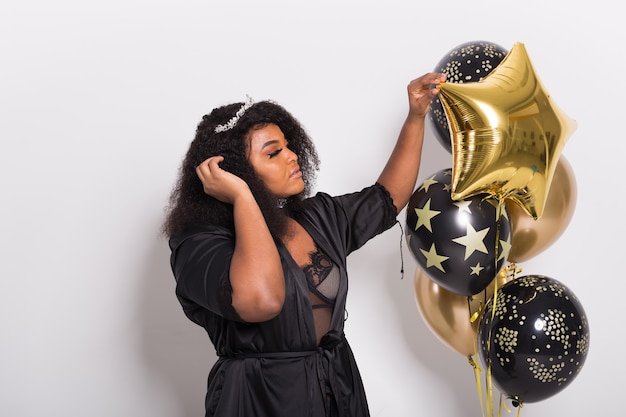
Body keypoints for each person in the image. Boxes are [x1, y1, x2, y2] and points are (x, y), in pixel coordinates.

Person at [162, 72, 446, 417]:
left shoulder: (317, 217)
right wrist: (242, 196)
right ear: (235, 171)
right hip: (258, 398)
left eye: (288, 145)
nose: (292, 156)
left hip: (337, 388)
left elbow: (386, 199)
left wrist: (416, 116)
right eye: (273, 153)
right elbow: (261, 301)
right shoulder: (198, 241)